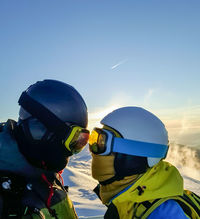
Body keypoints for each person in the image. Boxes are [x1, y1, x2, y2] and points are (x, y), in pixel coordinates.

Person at [89, 106, 200, 218]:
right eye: (93, 138)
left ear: (133, 156)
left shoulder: (162, 214)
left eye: (101, 141)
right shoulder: (127, 199)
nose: (92, 148)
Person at [0, 79, 89, 218]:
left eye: (80, 141)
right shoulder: (7, 197)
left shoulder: (46, 175)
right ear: (40, 129)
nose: (71, 151)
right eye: (73, 139)